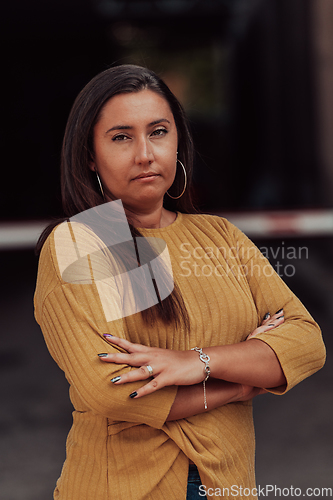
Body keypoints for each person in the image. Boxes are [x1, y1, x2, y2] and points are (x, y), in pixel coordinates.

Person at [34, 65, 325, 500]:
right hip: (129, 488)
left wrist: (197, 361)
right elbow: (112, 390)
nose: (145, 154)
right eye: (121, 137)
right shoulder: (82, 241)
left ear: (177, 142)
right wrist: (245, 379)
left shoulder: (219, 235)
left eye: (158, 132)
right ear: (89, 155)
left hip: (231, 484)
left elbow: (306, 342)